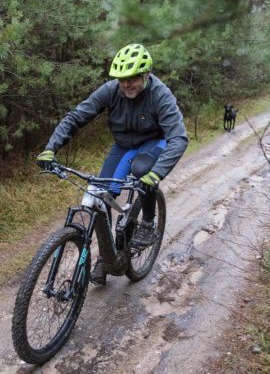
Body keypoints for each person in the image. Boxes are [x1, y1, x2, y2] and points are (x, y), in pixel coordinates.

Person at [36, 43, 189, 284]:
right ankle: (105, 257)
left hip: (153, 143)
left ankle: (148, 224)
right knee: (100, 195)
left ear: (145, 75)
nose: (126, 85)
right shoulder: (111, 91)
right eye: (121, 79)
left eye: (132, 79)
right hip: (123, 146)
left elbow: (178, 138)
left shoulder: (160, 95)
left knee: (142, 171)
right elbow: (76, 117)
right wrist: (50, 149)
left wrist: (157, 173)